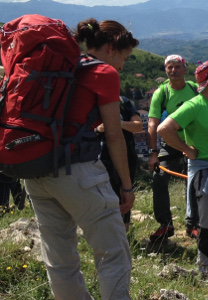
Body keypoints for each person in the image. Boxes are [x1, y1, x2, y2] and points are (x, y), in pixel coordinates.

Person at [23, 18, 138, 300]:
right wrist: (126, 185)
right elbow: (113, 136)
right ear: (111, 48)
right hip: (79, 172)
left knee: (60, 260)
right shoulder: (103, 72)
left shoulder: (55, 66)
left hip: (35, 171)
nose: (123, 65)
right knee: (114, 254)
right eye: (124, 57)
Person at [157, 59, 208, 279]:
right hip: (207, 174)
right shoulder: (194, 105)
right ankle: (206, 271)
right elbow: (164, 129)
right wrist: (187, 150)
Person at [147, 54, 199, 241]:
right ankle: (165, 224)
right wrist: (153, 153)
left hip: (193, 143)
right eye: (169, 67)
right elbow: (152, 125)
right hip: (170, 144)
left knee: (193, 180)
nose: (173, 70)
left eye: (177, 67)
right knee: (159, 176)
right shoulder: (161, 93)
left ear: (185, 70)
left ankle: (193, 224)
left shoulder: (194, 89)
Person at [96, 95, 143, 231]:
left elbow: (138, 126)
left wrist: (116, 123)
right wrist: (99, 129)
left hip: (126, 156)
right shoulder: (92, 102)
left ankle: (124, 234)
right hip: (101, 157)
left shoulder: (123, 102)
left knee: (124, 195)